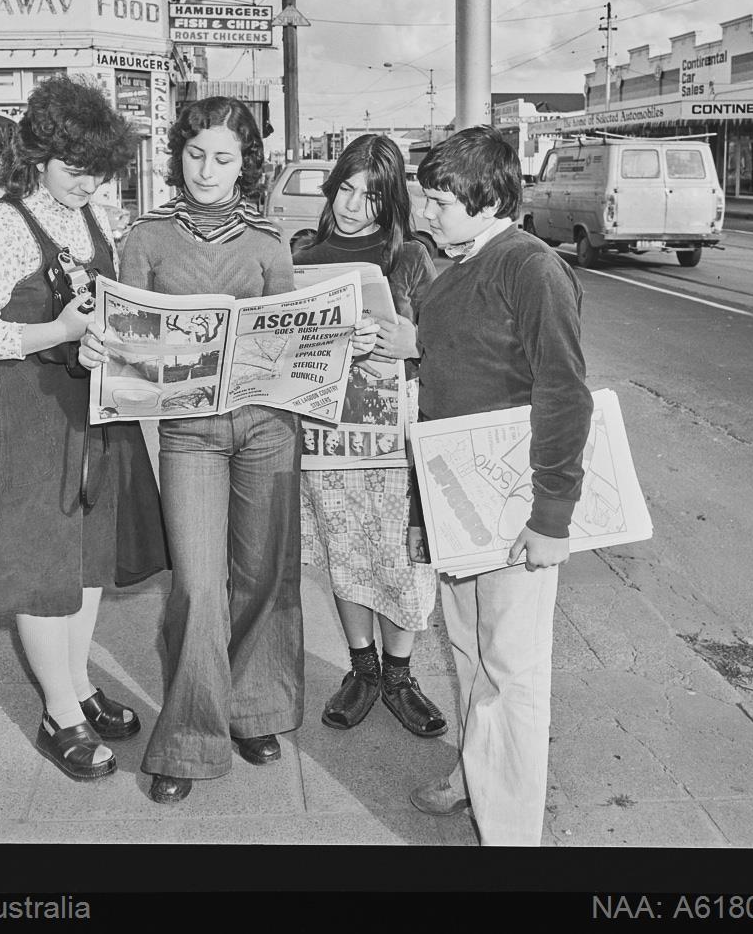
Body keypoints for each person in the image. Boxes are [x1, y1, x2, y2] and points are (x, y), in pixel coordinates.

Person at [81, 97, 377, 805]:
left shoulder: (269, 242)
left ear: (246, 164)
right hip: (190, 434)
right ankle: (189, 738)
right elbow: (127, 340)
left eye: (222, 158)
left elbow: (296, 336)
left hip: (269, 427)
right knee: (197, 584)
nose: (206, 171)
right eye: (195, 155)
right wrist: (105, 348)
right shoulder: (147, 238)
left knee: (264, 576)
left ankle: (253, 711)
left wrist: (345, 340)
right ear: (177, 155)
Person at [0, 76, 169, 783]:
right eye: (74, 168)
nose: (87, 183)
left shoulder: (95, 219)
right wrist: (59, 331)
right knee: (42, 565)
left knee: (88, 556)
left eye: (98, 170)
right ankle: (58, 712)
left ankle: (79, 683)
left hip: (91, 412)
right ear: (38, 156)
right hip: (26, 418)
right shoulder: (6, 227)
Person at [407, 125, 593, 847]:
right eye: (426, 198)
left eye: (440, 202)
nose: (426, 213)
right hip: (459, 500)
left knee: (511, 671)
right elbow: (458, 372)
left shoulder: (531, 267)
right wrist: (423, 510)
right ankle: (474, 773)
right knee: (468, 653)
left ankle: (510, 835)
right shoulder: (460, 261)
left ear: (489, 202)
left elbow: (563, 392)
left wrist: (552, 517)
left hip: (513, 504)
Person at [293, 134, 447, 740]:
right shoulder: (303, 252)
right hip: (329, 430)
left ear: (392, 202)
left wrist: (410, 342)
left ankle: (399, 676)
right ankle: (363, 670)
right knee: (344, 547)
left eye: (373, 195)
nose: (355, 206)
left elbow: (443, 342)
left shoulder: (411, 257)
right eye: (347, 190)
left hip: (395, 430)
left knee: (403, 555)